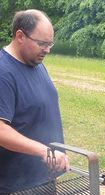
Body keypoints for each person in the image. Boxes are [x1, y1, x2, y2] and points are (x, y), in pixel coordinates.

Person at [0, 9, 70, 193]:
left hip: (42, 178)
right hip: (16, 185)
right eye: (41, 43)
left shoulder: (35, 63)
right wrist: (43, 151)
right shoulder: (3, 72)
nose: (47, 50)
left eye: (50, 44)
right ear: (20, 36)